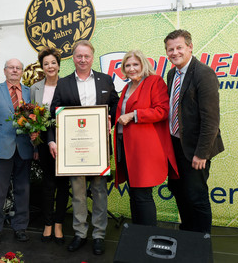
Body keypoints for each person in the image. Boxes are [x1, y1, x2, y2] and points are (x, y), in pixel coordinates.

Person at [48, 40, 119, 255]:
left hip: (98, 150)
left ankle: (98, 235)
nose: (82, 60)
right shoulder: (63, 83)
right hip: (73, 150)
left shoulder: (106, 79)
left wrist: (110, 119)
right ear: (73, 57)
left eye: (86, 56)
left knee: (99, 192)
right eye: (78, 56)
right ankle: (80, 233)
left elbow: (115, 104)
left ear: (92, 56)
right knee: (78, 194)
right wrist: (52, 139)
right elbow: (53, 114)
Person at [164, 29, 224, 234]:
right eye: (170, 49)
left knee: (197, 196)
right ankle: (187, 235)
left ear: (190, 47)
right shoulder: (172, 73)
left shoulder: (203, 73)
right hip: (176, 146)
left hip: (196, 149)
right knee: (180, 192)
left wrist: (202, 153)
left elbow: (211, 120)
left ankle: (201, 243)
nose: (174, 52)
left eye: (179, 47)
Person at [114, 50, 179, 226]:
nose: (132, 68)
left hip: (144, 149)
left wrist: (133, 115)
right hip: (126, 147)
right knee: (134, 193)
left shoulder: (154, 81)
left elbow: (162, 111)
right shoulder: (127, 87)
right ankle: (137, 235)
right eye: (128, 65)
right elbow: (119, 114)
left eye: (135, 64)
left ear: (143, 65)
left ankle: (147, 236)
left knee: (142, 194)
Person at [0, 58, 35, 244]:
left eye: (18, 68)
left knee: (23, 189)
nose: (14, 70)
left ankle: (20, 226)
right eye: (11, 67)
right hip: (0, 149)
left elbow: (36, 121)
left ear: (22, 72)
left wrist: (35, 146)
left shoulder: (30, 92)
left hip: (24, 149)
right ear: (4, 71)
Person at [30, 47, 69, 245]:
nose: (50, 66)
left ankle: (59, 224)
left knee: (62, 184)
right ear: (42, 67)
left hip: (66, 139)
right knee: (48, 184)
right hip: (44, 141)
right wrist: (33, 136)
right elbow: (30, 117)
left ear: (58, 64)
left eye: (53, 62)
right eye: (46, 63)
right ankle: (47, 224)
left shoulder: (68, 85)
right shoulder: (35, 88)